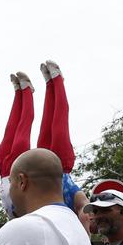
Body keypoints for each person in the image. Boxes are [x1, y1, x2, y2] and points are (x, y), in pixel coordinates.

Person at [37, 60, 89, 217]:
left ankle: (49, 84)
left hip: (43, 169)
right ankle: (57, 81)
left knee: (46, 122)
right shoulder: (74, 197)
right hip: (61, 166)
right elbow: (86, 210)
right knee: (59, 122)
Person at [0, 72, 34, 218]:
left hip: (3, 172)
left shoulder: (12, 219)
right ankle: (27, 91)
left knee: (11, 127)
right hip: (17, 170)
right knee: (23, 127)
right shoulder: (27, 212)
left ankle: (18, 92)